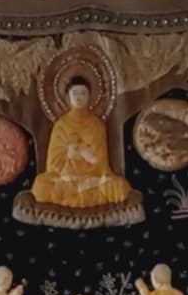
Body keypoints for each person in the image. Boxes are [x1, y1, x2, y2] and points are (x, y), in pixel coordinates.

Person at [30, 79, 132, 210]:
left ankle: (77, 191)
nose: (79, 97)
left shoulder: (97, 125)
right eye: (75, 93)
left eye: (83, 93)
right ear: (67, 97)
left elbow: (101, 164)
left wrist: (86, 155)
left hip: (92, 178)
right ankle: (78, 191)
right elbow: (53, 164)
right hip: (65, 177)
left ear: (90, 97)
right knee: (40, 186)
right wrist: (69, 155)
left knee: (119, 187)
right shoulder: (61, 125)